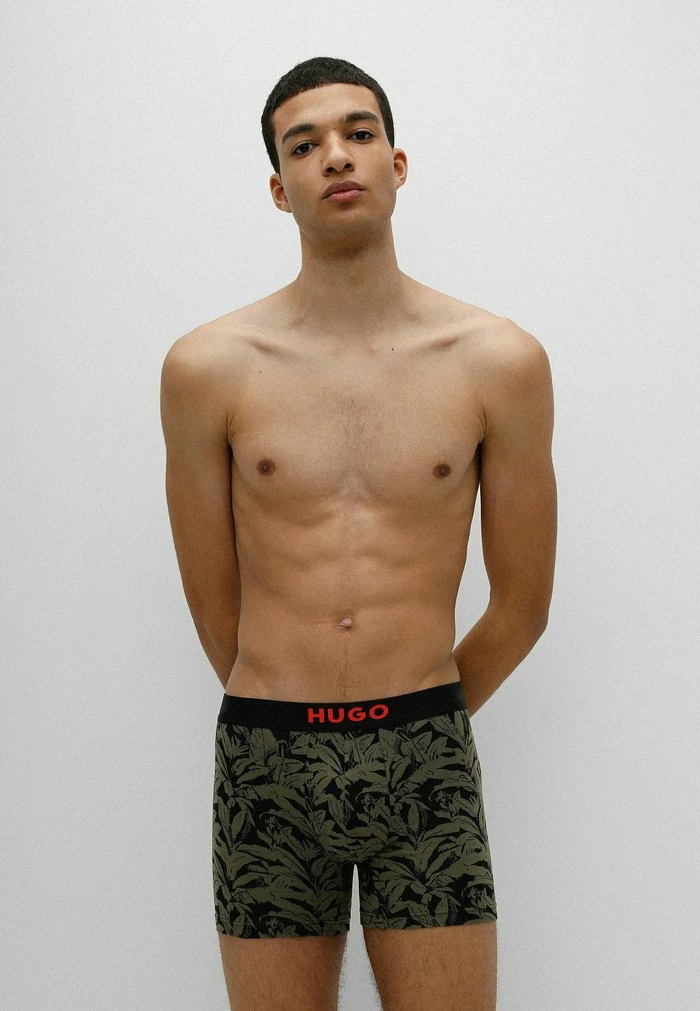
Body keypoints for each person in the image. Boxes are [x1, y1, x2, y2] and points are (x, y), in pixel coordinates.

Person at [160, 54, 556, 1011]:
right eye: (304, 145)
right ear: (279, 187)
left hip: (425, 754)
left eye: (358, 133)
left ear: (397, 163)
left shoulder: (497, 361)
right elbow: (214, 604)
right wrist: (292, 698)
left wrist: (417, 714)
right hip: (268, 758)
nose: (336, 155)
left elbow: (522, 605)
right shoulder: (208, 369)